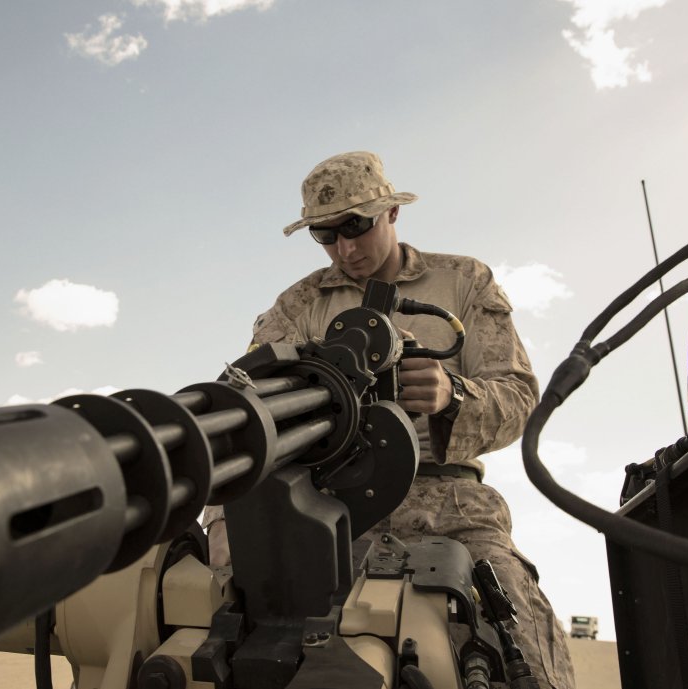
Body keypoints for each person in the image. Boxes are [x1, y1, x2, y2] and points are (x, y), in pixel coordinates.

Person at [204, 151, 575, 688]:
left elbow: (520, 398)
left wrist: (453, 395)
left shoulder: (465, 283)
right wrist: (222, 516)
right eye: (326, 235)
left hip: (453, 510)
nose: (345, 250)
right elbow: (240, 410)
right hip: (329, 511)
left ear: (392, 214)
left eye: (357, 226)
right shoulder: (300, 304)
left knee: (522, 650)